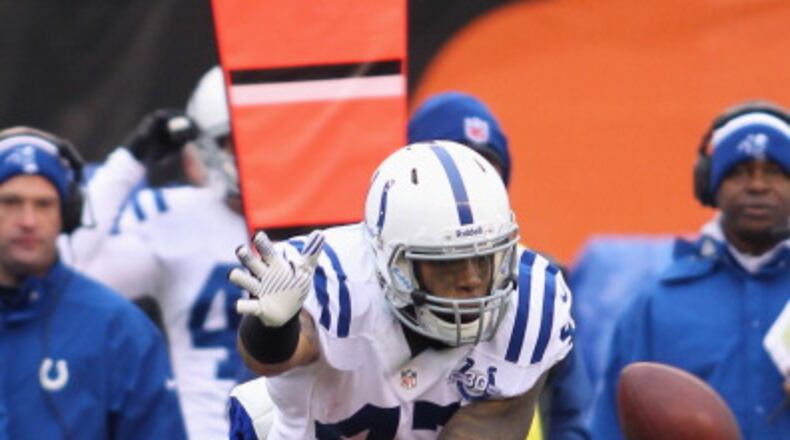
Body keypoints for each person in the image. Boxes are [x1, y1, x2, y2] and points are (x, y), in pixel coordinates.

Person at [229, 140, 576, 439]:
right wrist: (275, 328)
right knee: (261, 408)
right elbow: (270, 360)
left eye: (485, 259)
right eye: (449, 263)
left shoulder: (531, 307)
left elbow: (488, 428)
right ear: (391, 263)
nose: (472, 279)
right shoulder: (335, 281)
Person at [62, 66, 269, 439]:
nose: (257, 151)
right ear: (208, 145)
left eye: (267, 135)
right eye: (238, 139)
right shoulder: (173, 216)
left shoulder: (342, 216)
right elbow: (68, 271)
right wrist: (128, 162)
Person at [590, 101, 790, 439]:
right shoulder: (656, 306)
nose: (757, 185)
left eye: (774, 171)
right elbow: (610, 428)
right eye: (740, 171)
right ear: (709, 184)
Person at [408, 91, 592, 440]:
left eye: (487, 170)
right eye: (460, 169)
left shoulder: (540, 287)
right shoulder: (366, 279)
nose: (475, 187)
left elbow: (571, 412)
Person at [0, 126, 186, 439]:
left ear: (68, 214)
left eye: (43, 204)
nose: (28, 220)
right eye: (11, 202)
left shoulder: (119, 328)